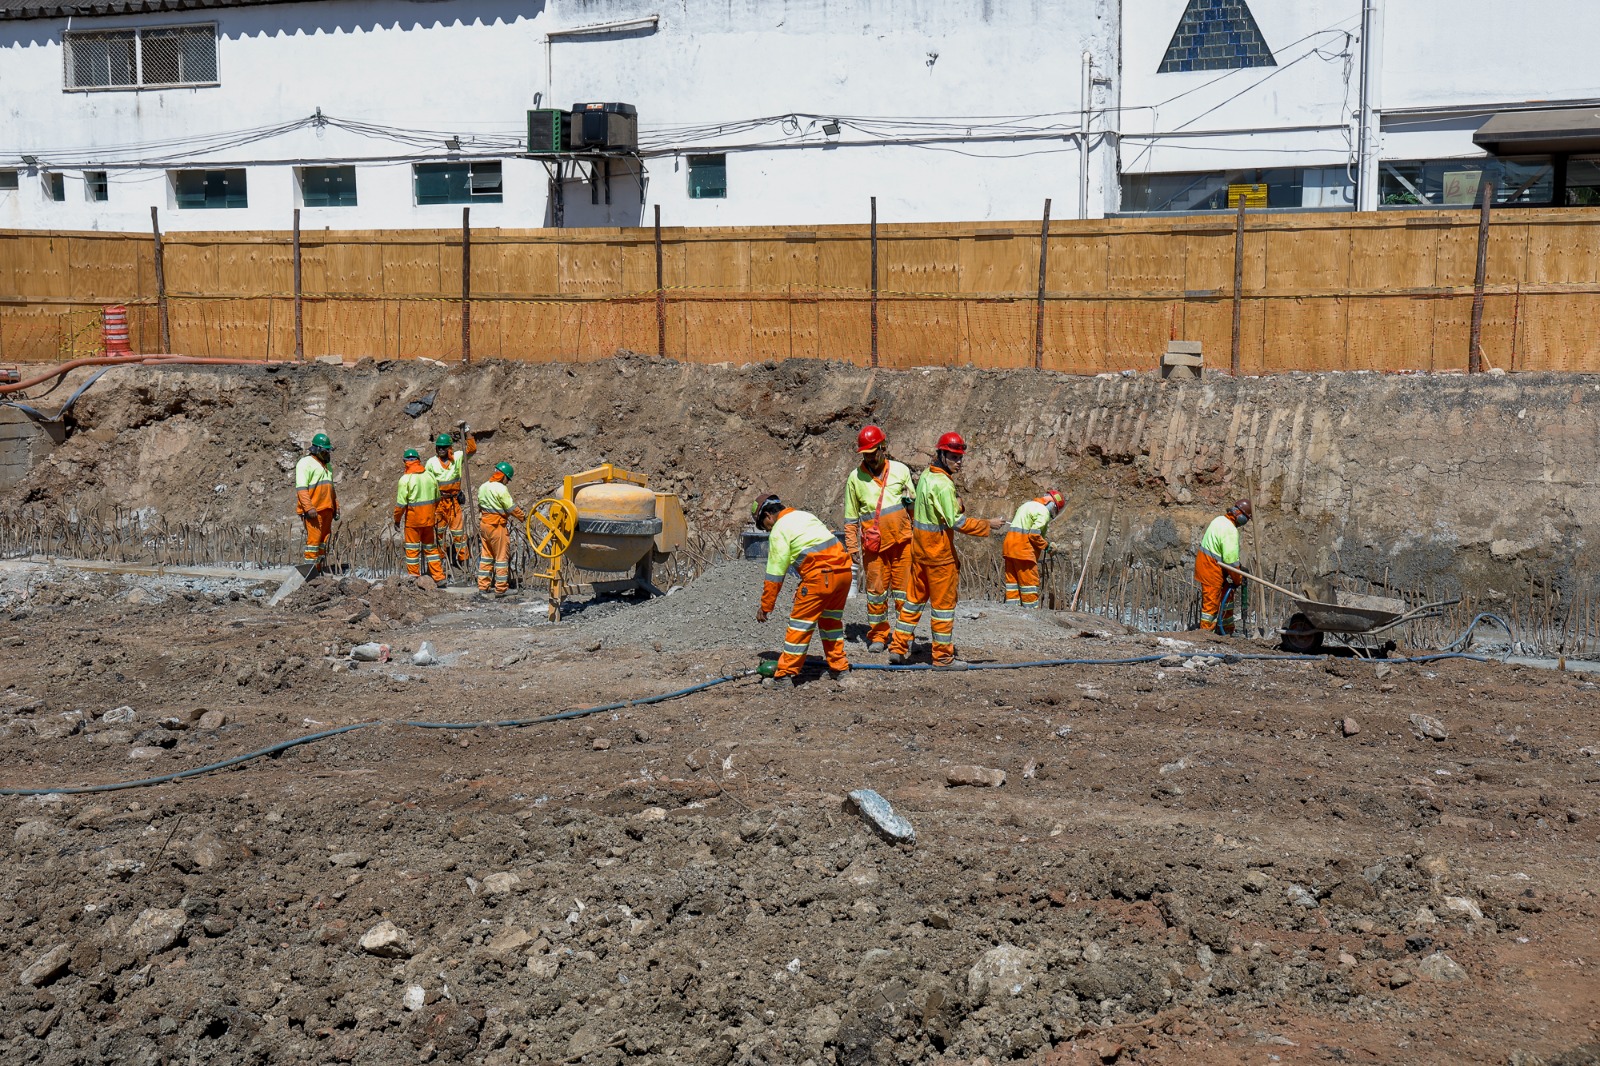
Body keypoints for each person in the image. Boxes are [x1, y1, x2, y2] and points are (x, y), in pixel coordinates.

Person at [888, 432, 994, 668]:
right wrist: (988, 525)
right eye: (954, 456)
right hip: (939, 557)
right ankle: (943, 658)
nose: (959, 461)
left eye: (960, 457)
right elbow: (958, 522)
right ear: (942, 454)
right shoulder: (943, 484)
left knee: (913, 603)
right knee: (943, 609)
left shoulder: (926, 475)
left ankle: (897, 647)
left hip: (920, 553)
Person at [752, 493, 853, 685]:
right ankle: (839, 669)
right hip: (844, 574)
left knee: (800, 626)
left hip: (820, 578)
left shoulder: (780, 529)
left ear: (768, 516)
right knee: (831, 623)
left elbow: (775, 574)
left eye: (764, 526)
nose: (767, 530)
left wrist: (766, 606)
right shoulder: (805, 516)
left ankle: (784, 675)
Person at [843, 425, 915, 652]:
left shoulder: (901, 470)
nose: (871, 458)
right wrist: (852, 546)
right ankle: (878, 635)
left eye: (874, 452)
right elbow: (851, 518)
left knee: (904, 593)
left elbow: (913, 507)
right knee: (876, 593)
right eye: (866, 454)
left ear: (884, 448)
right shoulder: (855, 479)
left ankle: (905, 635)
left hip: (903, 542)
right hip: (874, 547)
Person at [1195, 499, 1252, 633]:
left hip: (1209, 565)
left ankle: (1226, 630)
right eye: (1247, 519)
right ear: (1241, 516)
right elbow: (1230, 561)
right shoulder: (1230, 530)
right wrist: (1238, 579)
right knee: (1211, 603)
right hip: (1210, 568)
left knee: (1227, 594)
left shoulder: (1219, 520)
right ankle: (1205, 635)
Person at [1003, 489, 1064, 607]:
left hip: (1009, 548)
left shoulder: (1026, 505)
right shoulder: (1043, 512)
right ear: (1053, 506)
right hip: (1023, 551)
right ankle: (1030, 613)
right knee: (1029, 585)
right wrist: (1047, 547)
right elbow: (1034, 534)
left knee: (1012, 583)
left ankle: (1011, 611)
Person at [393, 448, 446, 584]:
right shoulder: (429, 476)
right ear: (418, 460)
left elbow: (400, 505)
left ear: (405, 462)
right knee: (431, 549)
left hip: (413, 522)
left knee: (412, 551)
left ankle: (414, 579)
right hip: (429, 520)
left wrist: (397, 520)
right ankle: (439, 578)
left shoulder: (405, 479)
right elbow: (437, 499)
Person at [427, 430, 477, 568]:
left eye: (444, 447)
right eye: (439, 447)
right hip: (439, 503)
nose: (441, 449)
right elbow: (427, 483)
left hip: (454, 502)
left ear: (450, 448)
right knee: (439, 533)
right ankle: (442, 560)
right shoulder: (431, 463)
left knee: (459, 534)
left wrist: (467, 432)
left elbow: (472, 449)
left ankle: (464, 560)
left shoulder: (457, 457)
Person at [476, 461, 526, 597]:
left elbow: (480, 505)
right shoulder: (501, 489)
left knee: (486, 556)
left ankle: (483, 586)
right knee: (501, 557)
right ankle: (501, 589)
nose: (507, 482)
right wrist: (523, 517)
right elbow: (510, 507)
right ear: (503, 476)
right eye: (507, 479)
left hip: (484, 525)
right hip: (497, 526)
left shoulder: (483, 486)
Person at [293, 432, 338, 574]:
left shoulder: (327, 466)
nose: (328, 454)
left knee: (323, 542)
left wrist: (336, 506)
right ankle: (309, 573)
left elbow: (331, 488)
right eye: (325, 451)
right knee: (313, 543)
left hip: (327, 509)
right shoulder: (305, 463)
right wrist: (308, 508)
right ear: (317, 450)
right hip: (314, 511)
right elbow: (301, 489)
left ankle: (318, 570)